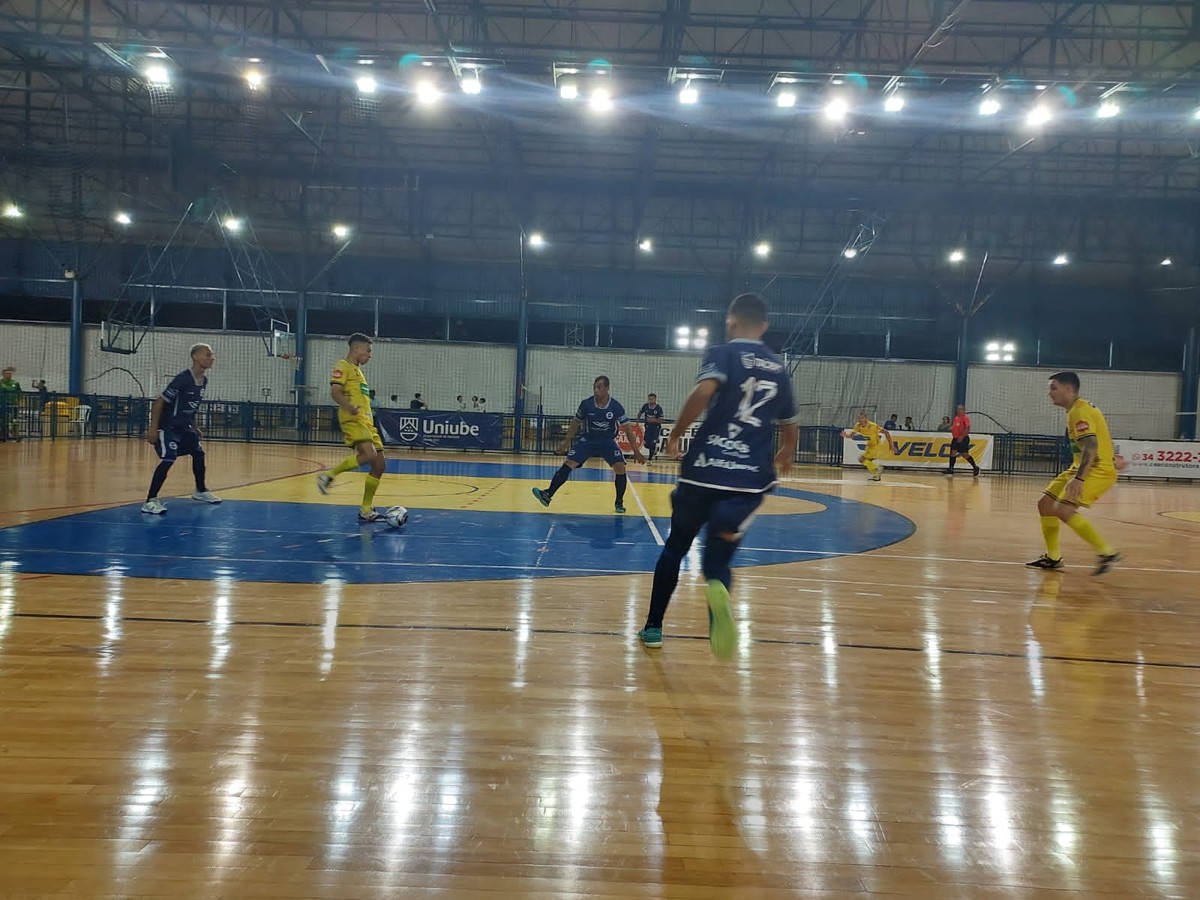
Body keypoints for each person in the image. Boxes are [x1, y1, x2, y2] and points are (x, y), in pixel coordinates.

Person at [636, 292, 798, 659]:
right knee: (718, 561)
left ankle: (654, 628)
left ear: (730, 321)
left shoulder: (722, 353)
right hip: (747, 480)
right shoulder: (777, 367)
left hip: (703, 471)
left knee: (675, 549)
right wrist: (786, 451)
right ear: (765, 326)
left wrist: (675, 435)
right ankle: (717, 591)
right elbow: (790, 422)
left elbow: (704, 390)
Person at [1026, 371, 1122, 575]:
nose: (1049, 393)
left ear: (1069, 389)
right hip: (1079, 467)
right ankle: (1053, 558)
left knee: (1063, 508)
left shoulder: (1079, 411)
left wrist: (1079, 478)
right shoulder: (1077, 409)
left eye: (1054, 388)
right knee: (1045, 504)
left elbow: (1091, 446)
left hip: (1097, 470)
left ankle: (1106, 552)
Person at [532, 376, 645, 514]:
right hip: (588, 440)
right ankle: (548, 494)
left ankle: (619, 502)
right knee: (569, 462)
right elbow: (575, 423)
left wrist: (636, 451)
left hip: (607, 442)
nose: (596, 390)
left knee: (620, 467)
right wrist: (566, 442)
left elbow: (628, 429)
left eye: (599, 387)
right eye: (594, 387)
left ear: (607, 388)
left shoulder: (616, 407)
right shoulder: (586, 404)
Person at [316, 333, 389, 523]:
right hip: (353, 419)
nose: (370, 355)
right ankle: (328, 475)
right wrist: (349, 406)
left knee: (379, 465)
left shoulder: (359, 371)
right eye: (368, 350)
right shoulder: (343, 366)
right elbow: (335, 391)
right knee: (369, 455)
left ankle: (366, 510)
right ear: (356, 349)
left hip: (367, 424)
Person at [141, 344, 221, 514]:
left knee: (199, 454)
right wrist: (153, 429)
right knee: (169, 458)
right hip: (168, 427)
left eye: (212, 355)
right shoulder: (183, 379)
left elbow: (191, 406)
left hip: (184, 427)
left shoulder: (203, 381)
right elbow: (159, 402)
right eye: (208, 355)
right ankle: (150, 500)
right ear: (196, 357)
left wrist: (195, 427)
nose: (212, 358)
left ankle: (200, 490)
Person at [843, 411, 897, 481]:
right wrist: (846, 436)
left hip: (875, 445)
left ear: (866, 418)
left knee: (862, 459)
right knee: (867, 462)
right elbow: (852, 435)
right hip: (869, 445)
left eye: (862, 418)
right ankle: (876, 475)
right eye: (859, 418)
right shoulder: (857, 425)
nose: (860, 420)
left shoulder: (873, 426)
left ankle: (877, 469)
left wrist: (891, 445)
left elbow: (886, 432)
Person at [945, 404, 981, 476]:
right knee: (953, 452)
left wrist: (962, 436)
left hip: (963, 438)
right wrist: (950, 428)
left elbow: (967, 428)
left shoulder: (965, 418)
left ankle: (975, 467)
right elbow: (954, 425)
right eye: (957, 409)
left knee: (964, 454)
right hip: (955, 438)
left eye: (960, 409)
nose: (958, 410)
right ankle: (951, 469)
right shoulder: (955, 418)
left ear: (964, 410)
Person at [639, 393, 665, 461]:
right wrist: (637, 421)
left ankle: (650, 459)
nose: (650, 400)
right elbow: (640, 412)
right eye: (649, 399)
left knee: (653, 443)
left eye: (652, 399)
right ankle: (654, 449)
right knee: (646, 444)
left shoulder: (658, 408)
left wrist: (653, 420)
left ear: (655, 399)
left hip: (656, 428)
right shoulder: (645, 406)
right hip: (647, 428)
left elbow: (661, 420)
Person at [0, 366, 20, 442]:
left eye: (10, 373)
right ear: (3, 374)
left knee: (14, 420)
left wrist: (18, 401)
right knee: (3, 420)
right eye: (7, 373)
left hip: (13, 405)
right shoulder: (0, 383)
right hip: (2, 405)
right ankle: (3, 434)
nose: (9, 375)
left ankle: (13, 435)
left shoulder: (15, 383)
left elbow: (19, 393)